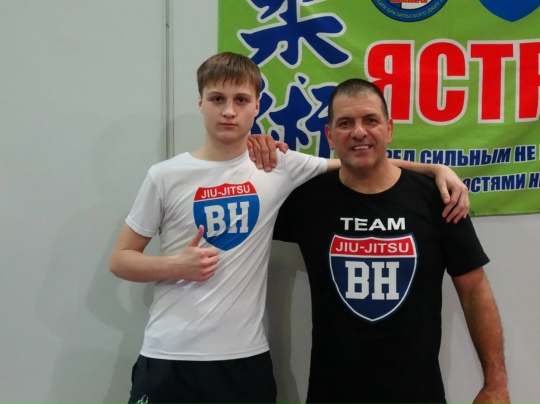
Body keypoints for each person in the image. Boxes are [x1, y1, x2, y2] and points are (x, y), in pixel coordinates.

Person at [109, 52, 469, 404]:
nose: (229, 110)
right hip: (168, 353)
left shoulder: (279, 166)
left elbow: (361, 160)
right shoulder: (165, 175)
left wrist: (435, 169)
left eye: (240, 100)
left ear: (257, 106)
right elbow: (121, 259)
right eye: (217, 99)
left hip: (244, 357)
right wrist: (175, 265)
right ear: (201, 103)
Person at [273, 78, 510, 404]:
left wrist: (496, 384)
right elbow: (242, 206)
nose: (359, 132)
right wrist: (256, 148)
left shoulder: (438, 198)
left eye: (370, 120)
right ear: (329, 136)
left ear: (389, 129)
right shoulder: (306, 201)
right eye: (345, 123)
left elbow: (474, 290)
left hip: (418, 395)